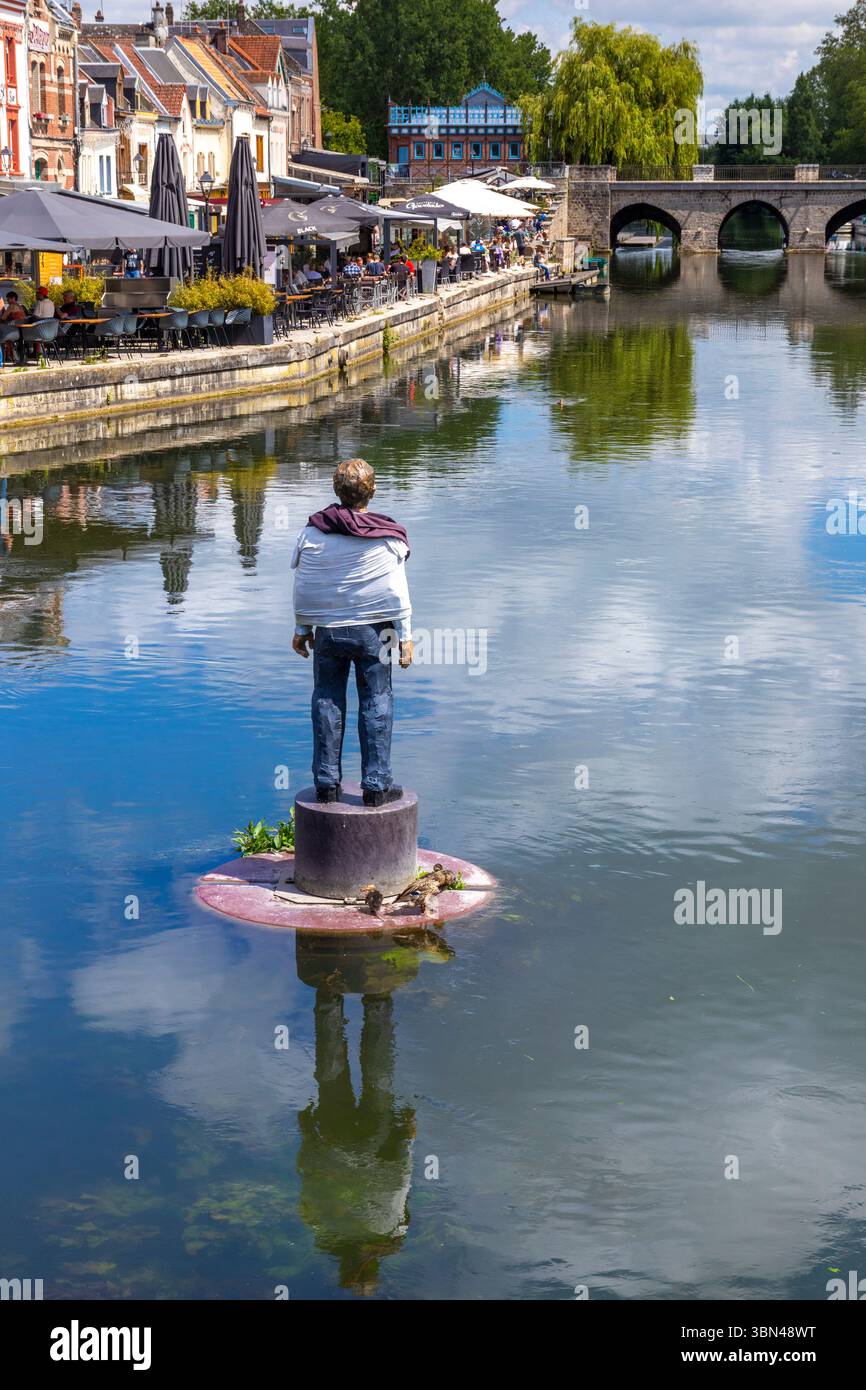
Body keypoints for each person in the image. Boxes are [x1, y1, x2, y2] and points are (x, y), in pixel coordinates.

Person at [291, 457, 413, 806]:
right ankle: (376, 786)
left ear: (336, 490)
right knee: (377, 699)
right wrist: (405, 638)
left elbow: (305, 585)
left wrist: (302, 627)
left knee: (326, 698)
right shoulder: (388, 537)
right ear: (371, 492)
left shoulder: (312, 532)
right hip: (374, 633)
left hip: (328, 631)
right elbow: (397, 592)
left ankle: (326, 785)